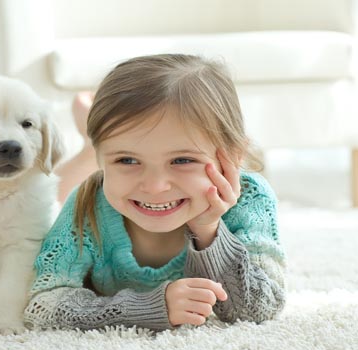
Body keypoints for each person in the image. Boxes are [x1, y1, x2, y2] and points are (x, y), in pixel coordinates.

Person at [24, 54, 287, 331]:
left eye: (182, 160)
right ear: (104, 160)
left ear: (232, 157)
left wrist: (208, 231)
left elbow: (260, 309)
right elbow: (42, 304)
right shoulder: (87, 203)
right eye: (126, 160)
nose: (155, 186)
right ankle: (90, 146)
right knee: (57, 189)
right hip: (96, 180)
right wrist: (147, 307)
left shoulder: (251, 198)